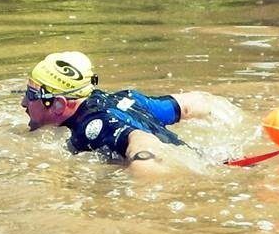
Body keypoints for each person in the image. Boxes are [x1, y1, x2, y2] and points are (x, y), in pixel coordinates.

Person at [20, 51, 228, 173]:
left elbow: (141, 139)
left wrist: (145, 177)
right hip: (205, 158)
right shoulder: (128, 99)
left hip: (185, 168)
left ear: (59, 105)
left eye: (30, 95)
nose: (23, 103)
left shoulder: (93, 126)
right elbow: (193, 104)